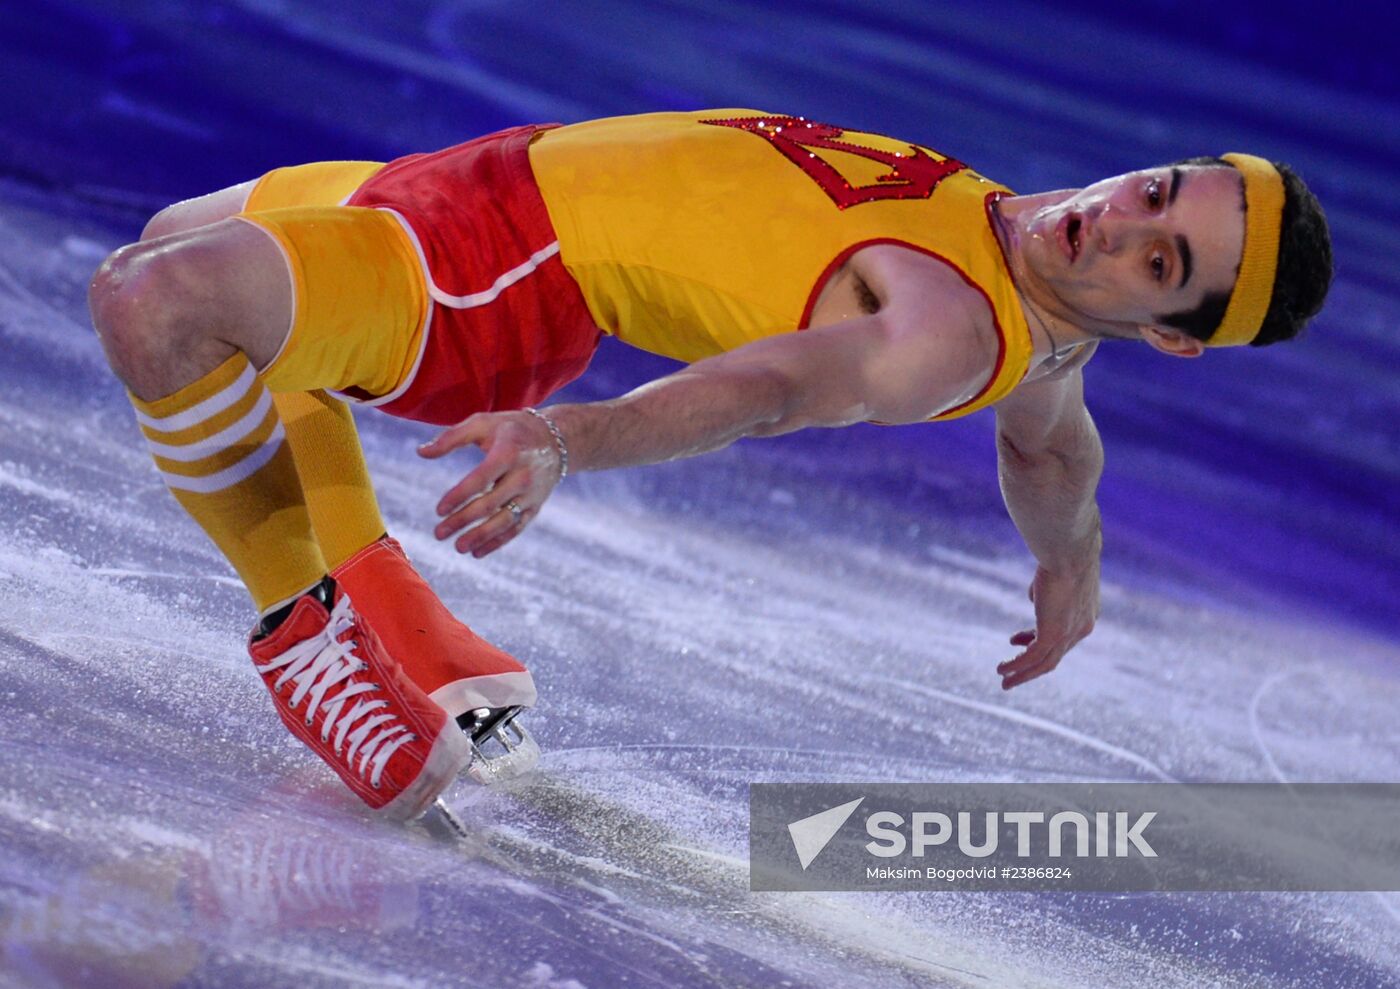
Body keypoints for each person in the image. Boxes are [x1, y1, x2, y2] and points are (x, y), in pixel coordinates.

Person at [86, 109, 1333, 819]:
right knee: (171, 242)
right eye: (1156, 191)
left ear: (1167, 332)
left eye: (1157, 260)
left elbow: (773, 388)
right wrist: (1073, 568)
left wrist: (571, 435)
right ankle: (389, 601)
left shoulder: (945, 329)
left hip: (492, 274)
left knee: (161, 308)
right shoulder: (1038, 304)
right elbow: (1056, 451)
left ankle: (304, 632)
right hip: (480, 185)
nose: (1116, 218)